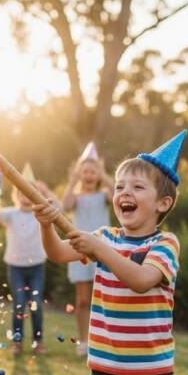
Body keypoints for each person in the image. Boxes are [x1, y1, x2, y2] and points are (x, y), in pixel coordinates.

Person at [34, 131, 186, 375]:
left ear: (163, 203)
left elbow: (142, 280)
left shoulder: (165, 243)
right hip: (104, 373)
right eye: (119, 187)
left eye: (137, 187)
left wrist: (99, 249)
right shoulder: (105, 237)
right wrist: (46, 225)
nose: (123, 192)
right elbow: (57, 253)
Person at [61, 143, 113, 355]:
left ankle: (104, 341)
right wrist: (73, 180)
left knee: (106, 299)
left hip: (103, 249)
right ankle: (84, 341)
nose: (90, 175)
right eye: (86, 171)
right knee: (82, 300)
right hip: (80, 251)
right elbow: (64, 205)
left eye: (93, 171)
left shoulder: (104, 196)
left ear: (98, 174)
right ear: (80, 174)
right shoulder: (76, 198)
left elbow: (117, 195)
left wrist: (104, 174)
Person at [0, 164, 54, 355]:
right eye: (21, 192)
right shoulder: (10, 214)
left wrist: (45, 190)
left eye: (29, 193)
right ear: (16, 195)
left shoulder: (40, 213)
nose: (25, 197)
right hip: (16, 268)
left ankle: (38, 342)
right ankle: (18, 341)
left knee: (36, 303)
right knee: (19, 304)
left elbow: (59, 207)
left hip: (36, 266)